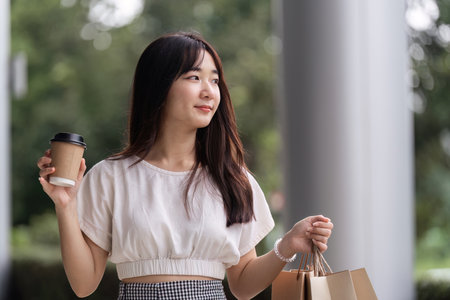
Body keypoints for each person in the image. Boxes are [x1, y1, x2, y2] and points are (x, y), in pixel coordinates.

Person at [37, 32, 333, 300]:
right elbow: (83, 284)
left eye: (215, 80)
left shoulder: (232, 179)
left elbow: (242, 284)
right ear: (159, 86)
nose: (209, 91)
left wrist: (288, 245)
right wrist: (65, 206)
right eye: (194, 77)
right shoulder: (110, 176)